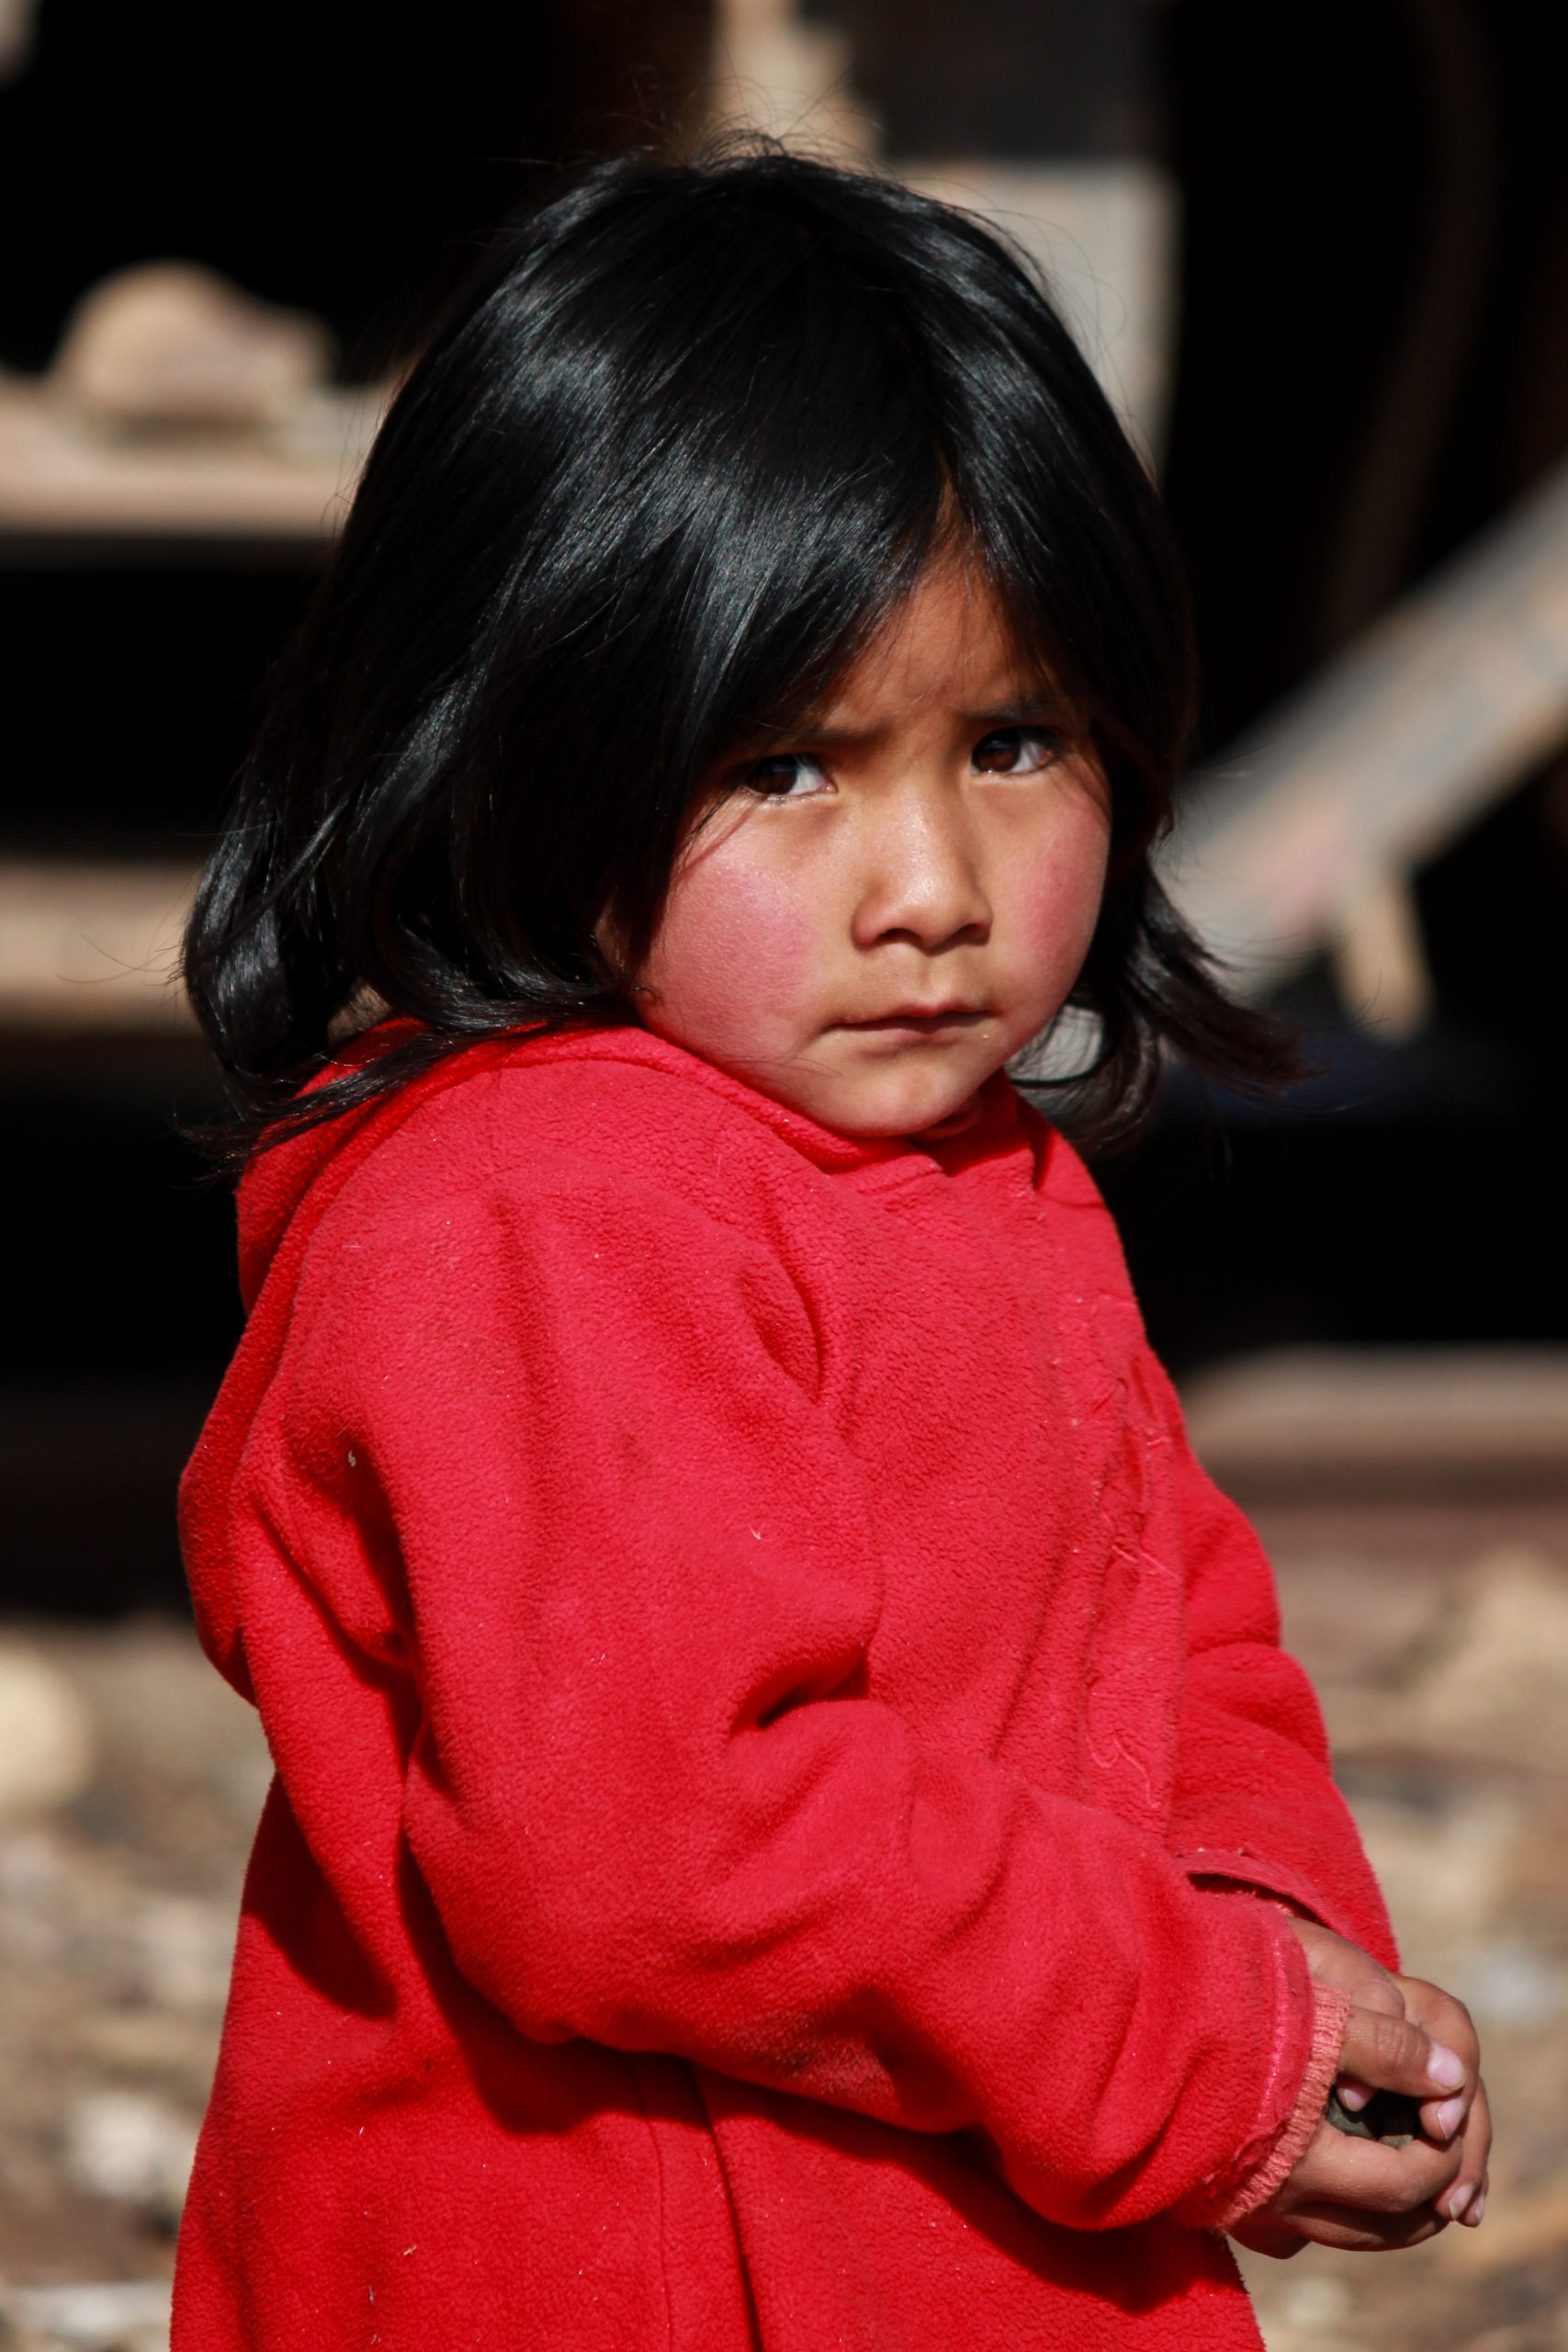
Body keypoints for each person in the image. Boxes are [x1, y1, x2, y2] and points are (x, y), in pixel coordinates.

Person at [174, 146, 1490, 2351]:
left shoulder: (983, 1174)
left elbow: (1179, 1631)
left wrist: (1271, 1941)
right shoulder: (539, 1212)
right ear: (524, 740)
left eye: (1009, 742)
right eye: (786, 765)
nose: (931, 885)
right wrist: (1192, 2032)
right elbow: (671, 1837)